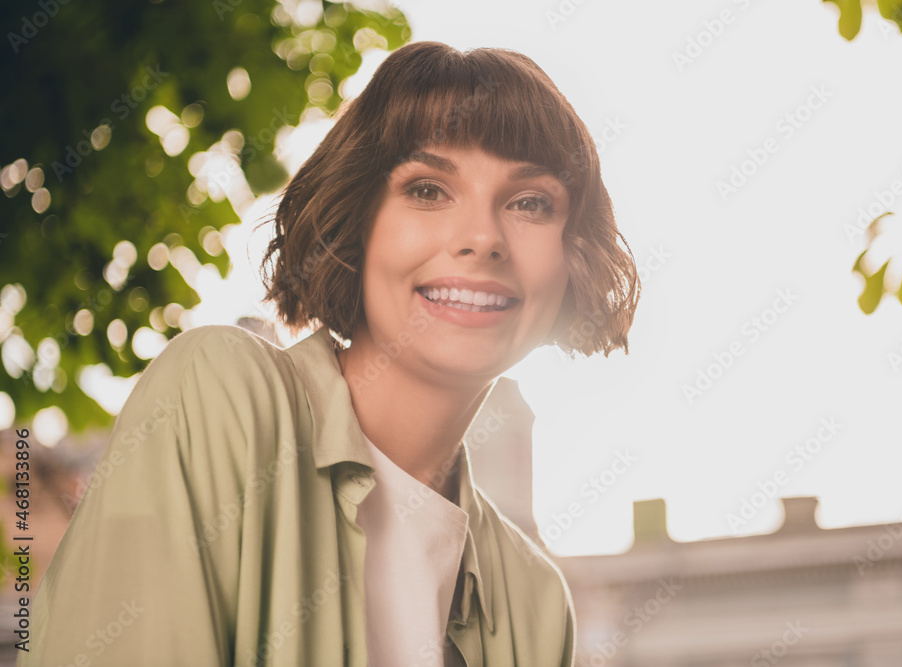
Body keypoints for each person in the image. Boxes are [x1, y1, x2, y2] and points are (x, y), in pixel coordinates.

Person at [20, 41, 640, 666]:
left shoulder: (533, 600)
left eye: (530, 202)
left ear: (572, 255)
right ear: (356, 220)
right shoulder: (221, 395)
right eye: (427, 190)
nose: (482, 238)